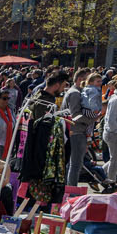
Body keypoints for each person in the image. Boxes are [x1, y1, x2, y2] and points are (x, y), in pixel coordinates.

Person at [14, 72, 71, 211]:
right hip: (38, 154)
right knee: (35, 191)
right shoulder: (44, 103)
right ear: (56, 85)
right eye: (63, 86)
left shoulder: (36, 97)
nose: (63, 90)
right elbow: (41, 131)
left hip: (30, 153)